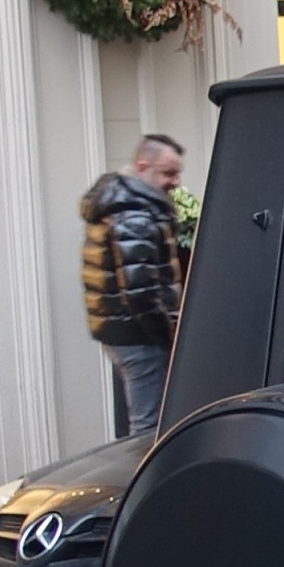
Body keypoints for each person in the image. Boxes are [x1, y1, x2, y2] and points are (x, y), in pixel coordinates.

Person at [81, 133, 186, 438]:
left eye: (177, 172)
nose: (175, 181)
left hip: (122, 330)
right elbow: (140, 292)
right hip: (139, 334)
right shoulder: (134, 213)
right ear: (142, 167)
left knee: (141, 418)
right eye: (168, 173)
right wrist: (167, 335)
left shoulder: (120, 203)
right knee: (147, 429)